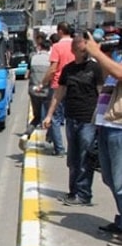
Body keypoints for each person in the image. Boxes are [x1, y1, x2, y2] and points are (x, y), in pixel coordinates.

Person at [43, 35, 103, 206]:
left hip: (88, 119)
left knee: (85, 157)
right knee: (73, 158)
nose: (82, 52)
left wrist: (101, 118)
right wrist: (49, 115)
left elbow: (101, 93)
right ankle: (74, 192)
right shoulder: (68, 69)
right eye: (79, 49)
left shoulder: (95, 68)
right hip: (71, 118)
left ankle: (84, 194)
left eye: (84, 48)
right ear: (74, 50)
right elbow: (59, 93)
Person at [85, 30, 122, 246]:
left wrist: (97, 53)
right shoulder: (116, 55)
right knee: (109, 178)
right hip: (107, 124)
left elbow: (119, 74)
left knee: (120, 182)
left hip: (119, 126)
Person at [39, 22, 75, 157]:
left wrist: (43, 83)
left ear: (60, 31)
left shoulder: (57, 46)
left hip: (57, 85)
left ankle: (59, 149)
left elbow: (53, 68)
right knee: (71, 118)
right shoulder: (76, 44)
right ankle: (72, 149)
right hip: (74, 85)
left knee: (54, 116)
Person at [19, 34, 51, 151]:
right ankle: (50, 139)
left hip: (33, 91)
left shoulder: (33, 58)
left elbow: (27, 74)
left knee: (37, 117)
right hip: (47, 91)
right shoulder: (51, 59)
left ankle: (26, 134)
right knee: (50, 116)